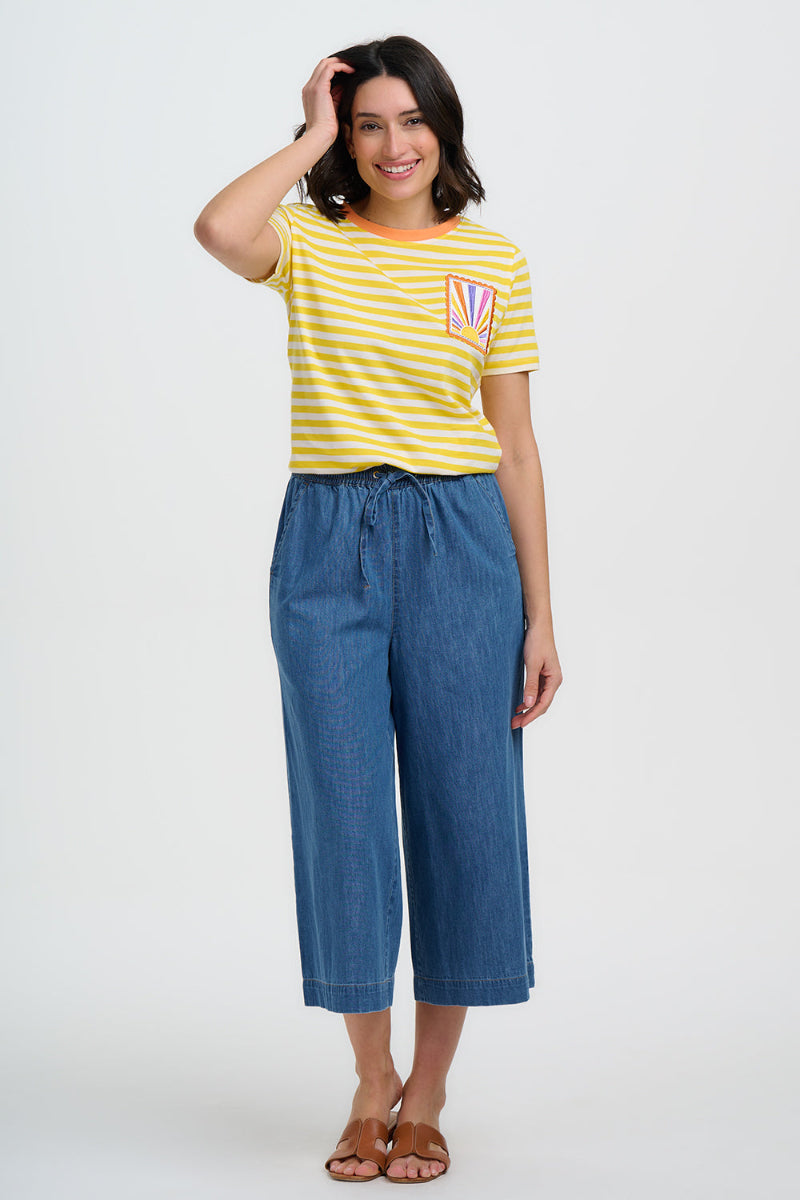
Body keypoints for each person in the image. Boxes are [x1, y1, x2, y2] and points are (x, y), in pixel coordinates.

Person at [194, 34, 562, 1185]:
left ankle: (431, 1091)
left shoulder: (491, 260)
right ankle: (368, 1081)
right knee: (344, 813)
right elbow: (217, 229)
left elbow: (510, 443)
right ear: (344, 139)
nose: (392, 145)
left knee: (464, 812)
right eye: (367, 125)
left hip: (460, 544)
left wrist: (541, 615)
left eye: (410, 121)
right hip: (327, 540)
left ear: (443, 129)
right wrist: (305, 130)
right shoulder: (307, 241)